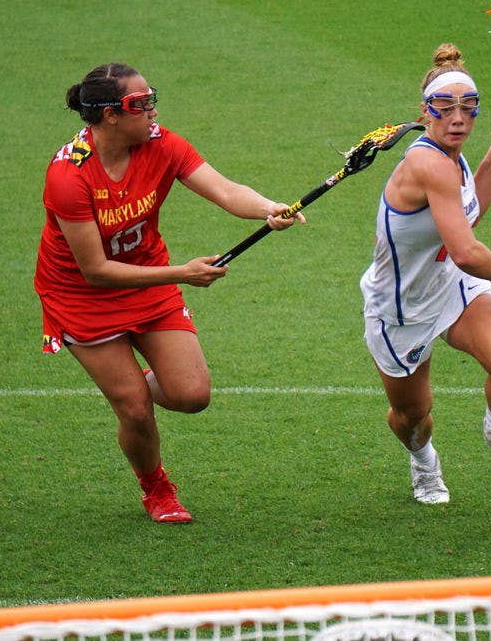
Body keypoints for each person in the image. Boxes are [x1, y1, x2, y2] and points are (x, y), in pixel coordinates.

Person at [34, 62, 303, 523]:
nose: (152, 110)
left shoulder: (160, 143)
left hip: (147, 277)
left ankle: (129, 387)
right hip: (81, 296)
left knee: (191, 394)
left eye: (150, 98)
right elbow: (95, 270)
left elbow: (223, 189)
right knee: (136, 411)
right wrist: (181, 273)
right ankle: (156, 487)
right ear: (110, 116)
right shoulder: (69, 177)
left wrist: (267, 208)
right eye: (140, 104)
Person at [359, 43, 491, 505]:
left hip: (450, 285)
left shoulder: (452, 157)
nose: (458, 117)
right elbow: (464, 251)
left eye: (469, 107)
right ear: (426, 112)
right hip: (401, 307)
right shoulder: (426, 163)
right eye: (446, 107)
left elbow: (467, 219)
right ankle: (423, 463)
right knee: (413, 415)